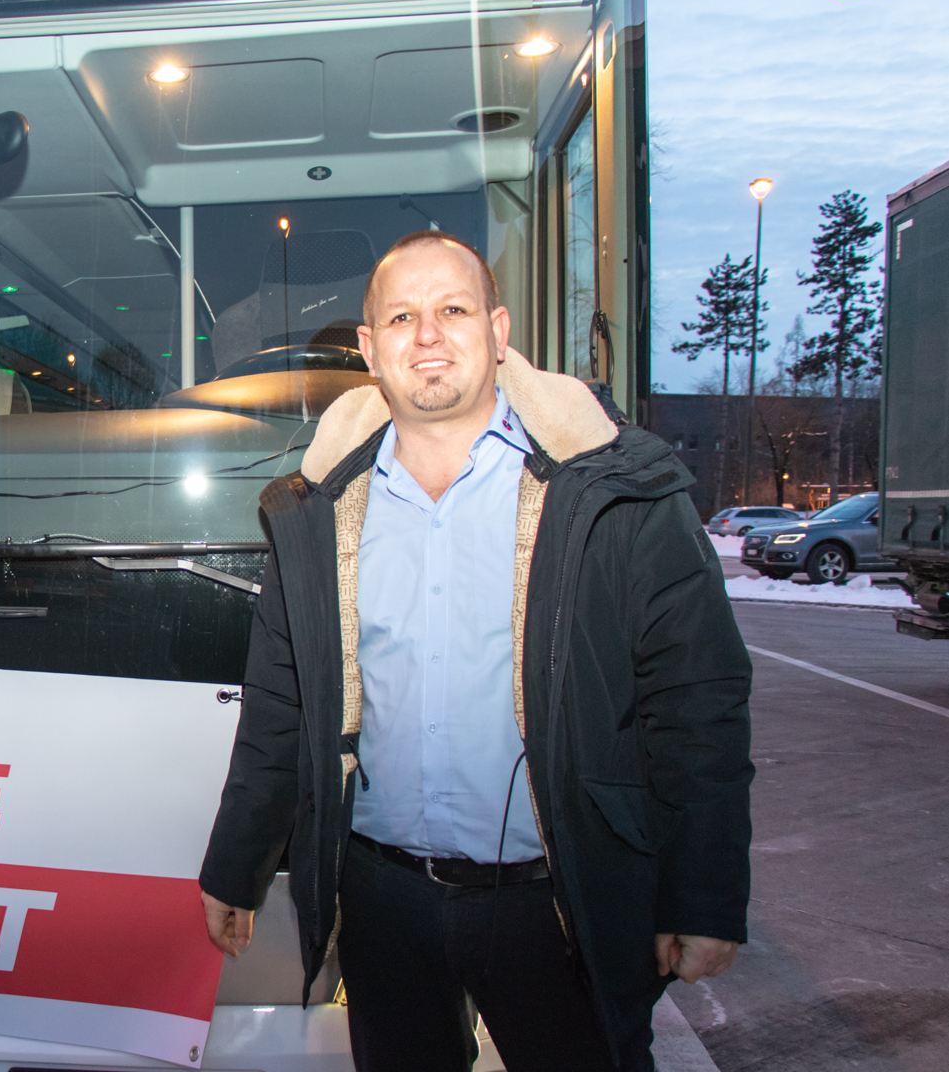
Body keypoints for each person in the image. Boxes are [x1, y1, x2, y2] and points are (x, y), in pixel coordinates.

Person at [198, 230, 753, 1072]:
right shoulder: (315, 511)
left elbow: (696, 700)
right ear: (368, 350)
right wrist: (235, 866)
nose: (426, 335)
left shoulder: (614, 491)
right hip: (380, 900)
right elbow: (280, 704)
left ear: (497, 333)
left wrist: (702, 896)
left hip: (557, 903)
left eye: (451, 310)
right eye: (401, 317)